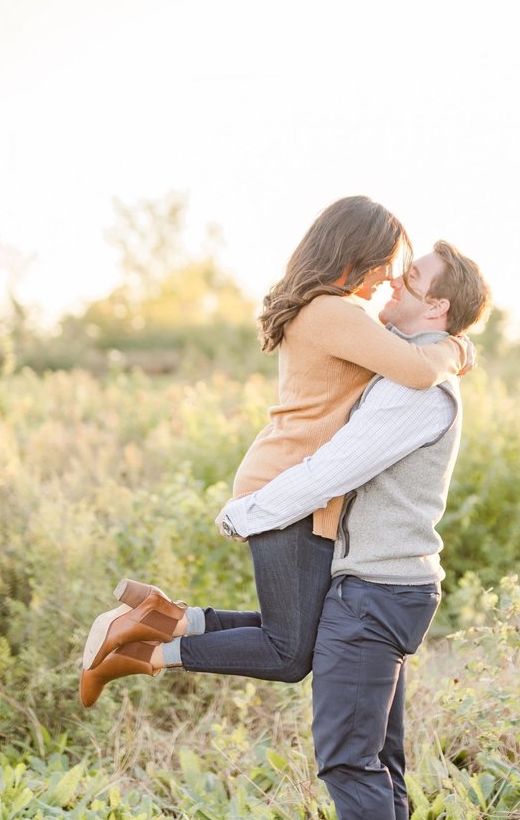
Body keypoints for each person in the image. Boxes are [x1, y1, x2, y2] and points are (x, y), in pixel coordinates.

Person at [212, 242, 490, 820]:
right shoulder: (414, 367)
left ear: (437, 306)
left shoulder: (414, 389)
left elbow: (338, 464)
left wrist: (250, 512)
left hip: (374, 593)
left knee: (350, 766)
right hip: (382, 587)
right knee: (380, 765)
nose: (393, 284)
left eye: (412, 279)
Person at [80, 197, 471, 706]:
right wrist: (458, 347)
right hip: (290, 485)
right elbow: (419, 370)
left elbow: (406, 356)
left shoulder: (331, 310)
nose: (387, 277)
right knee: (288, 652)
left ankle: (164, 620)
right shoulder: (333, 311)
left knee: (295, 631)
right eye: (385, 261)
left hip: (297, 483)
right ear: (357, 251)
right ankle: (145, 654)